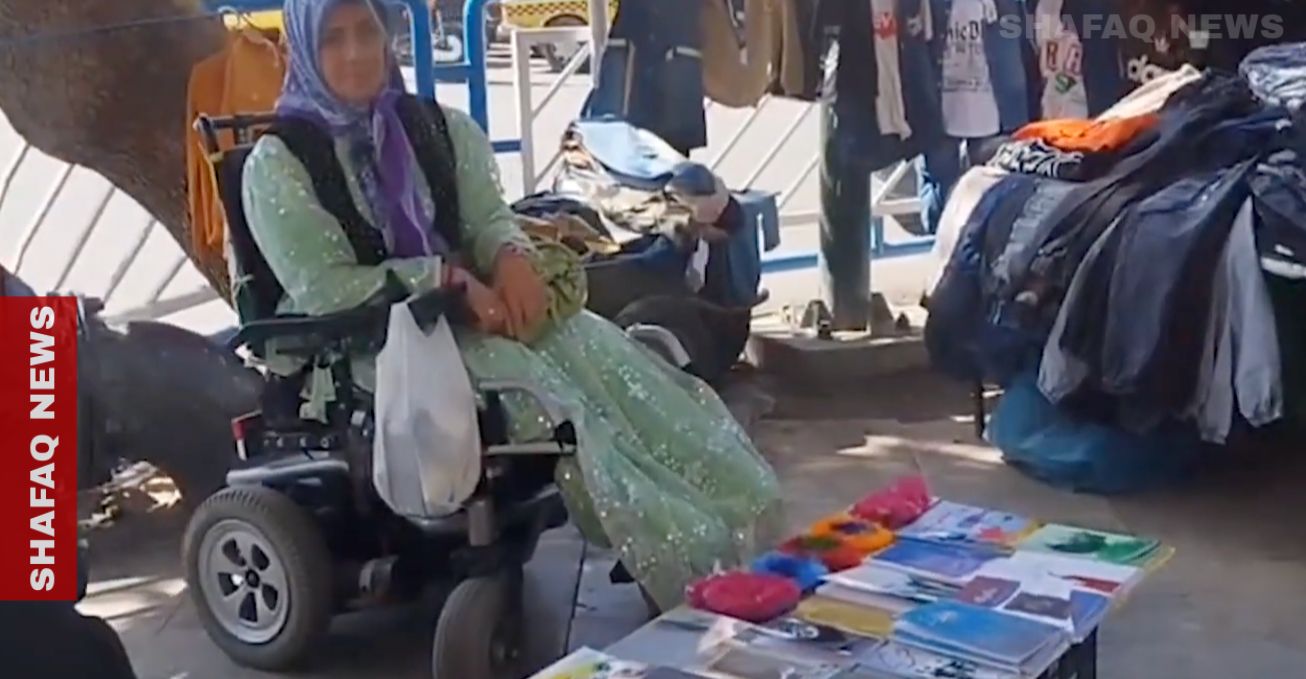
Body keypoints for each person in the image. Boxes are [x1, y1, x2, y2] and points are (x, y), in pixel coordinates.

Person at [241, 0, 781, 609]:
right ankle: (684, 553)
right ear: (305, 51)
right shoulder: (278, 167)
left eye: (367, 31)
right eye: (334, 39)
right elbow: (324, 289)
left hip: (474, 315)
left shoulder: (435, 128)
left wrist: (511, 260)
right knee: (552, 399)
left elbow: (488, 218)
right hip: (376, 345)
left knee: (609, 356)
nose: (357, 52)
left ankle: (743, 513)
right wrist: (441, 279)